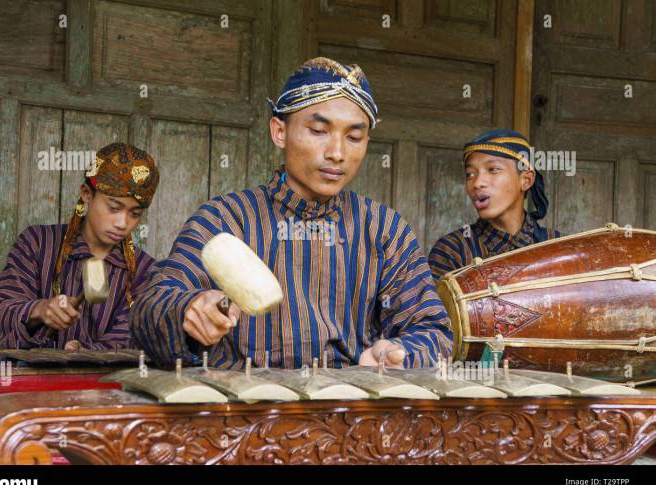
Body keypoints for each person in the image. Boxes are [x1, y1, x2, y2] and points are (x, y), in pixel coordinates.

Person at [131, 57, 452, 370]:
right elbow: (150, 309)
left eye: (354, 137)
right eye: (318, 131)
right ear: (279, 132)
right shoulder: (224, 220)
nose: (337, 153)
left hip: (348, 412)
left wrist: (400, 352)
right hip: (242, 413)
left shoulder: (384, 230)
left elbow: (434, 332)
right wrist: (188, 309)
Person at [0, 143, 159, 351]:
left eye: (134, 214)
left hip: (103, 381)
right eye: (114, 208)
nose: (122, 223)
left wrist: (86, 353)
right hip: (30, 379)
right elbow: (1, 315)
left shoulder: (145, 272)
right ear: (87, 194)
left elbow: (133, 336)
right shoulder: (37, 243)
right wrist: (40, 310)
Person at [428, 129, 560, 281]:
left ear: (526, 180)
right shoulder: (452, 251)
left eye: (493, 170)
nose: (477, 183)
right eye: (470, 174)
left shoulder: (559, 246)